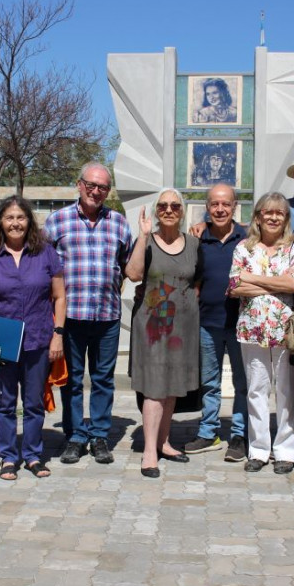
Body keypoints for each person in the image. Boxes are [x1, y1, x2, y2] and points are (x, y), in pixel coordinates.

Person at [45, 163, 132, 466]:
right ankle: (74, 436)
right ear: (79, 185)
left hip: (106, 315)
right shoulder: (57, 221)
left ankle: (99, 436)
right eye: (91, 185)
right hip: (70, 317)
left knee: (103, 379)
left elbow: (126, 265)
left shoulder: (119, 223)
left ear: (109, 191)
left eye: (103, 187)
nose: (96, 192)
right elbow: (44, 266)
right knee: (71, 380)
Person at [0, 196, 66, 481]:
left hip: (38, 340)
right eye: (9, 218)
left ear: (29, 220)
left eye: (20, 217)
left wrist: (58, 336)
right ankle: (8, 456)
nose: (15, 223)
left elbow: (59, 297)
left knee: (33, 403)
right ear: (0, 222)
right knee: (5, 404)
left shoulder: (45, 253)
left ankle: (31, 455)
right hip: (2, 343)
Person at [228, 192, 294, 475]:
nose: (273, 217)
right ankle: (259, 450)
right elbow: (235, 286)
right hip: (252, 328)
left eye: (280, 213)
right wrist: (277, 284)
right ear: (258, 216)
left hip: (286, 330)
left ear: (286, 218)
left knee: (287, 390)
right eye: (268, 212)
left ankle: (286, 450)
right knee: (256, 390)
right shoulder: (244, 248)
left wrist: (254, 279)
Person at [126, 189, 202, 478]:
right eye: (163, 206)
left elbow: (199, 279)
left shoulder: (194, 244)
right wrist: (143, 235)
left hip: (184, 324)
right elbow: (133, 274)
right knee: (155, 387)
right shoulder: (146, 241)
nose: (168, 210)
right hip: (153, 324)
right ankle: (148, 452)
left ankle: (164, 442)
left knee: (172, 385)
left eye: (174, 205)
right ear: (156, 211)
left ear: (182, 211)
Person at [185, 184, 248, 462]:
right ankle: (209, 432)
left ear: (234, 206)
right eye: (214, 204)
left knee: (242, 382)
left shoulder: (247, 238)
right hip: (207, 322)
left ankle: (240, 435)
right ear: (207, 208)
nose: (220, 209)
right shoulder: (197, 239)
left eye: (226, 204)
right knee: (209, 382)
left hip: (241, 323)